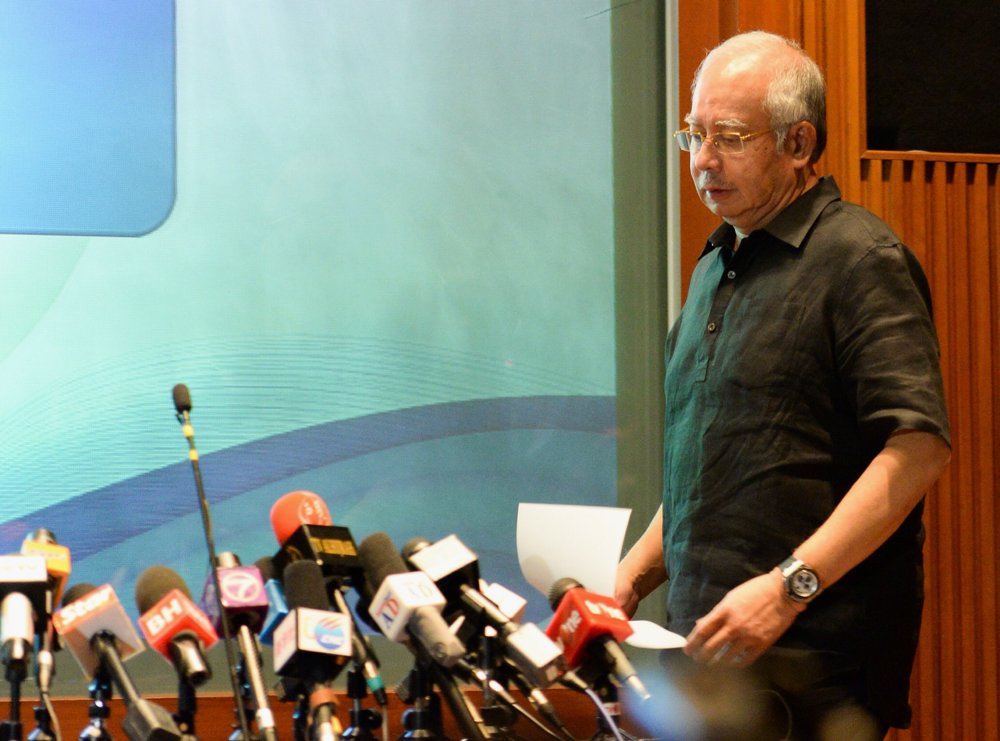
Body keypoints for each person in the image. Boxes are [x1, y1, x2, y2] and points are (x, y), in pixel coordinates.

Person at [615, 31, 951, 740]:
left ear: (798, 144)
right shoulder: (714, 268)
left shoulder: (859, 258)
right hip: (706, 664)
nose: (703, 159)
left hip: (814, 670)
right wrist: (630, 579)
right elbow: (704, 470)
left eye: (729, 137)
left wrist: (787, 586)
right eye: (695, 134)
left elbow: (918, 448)